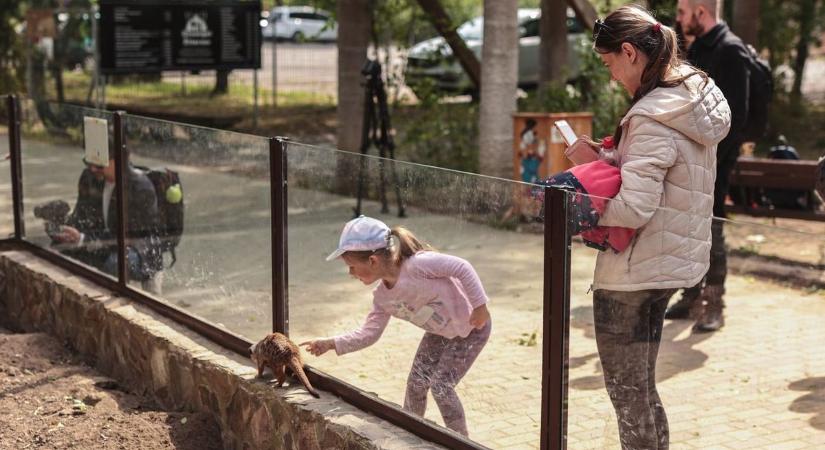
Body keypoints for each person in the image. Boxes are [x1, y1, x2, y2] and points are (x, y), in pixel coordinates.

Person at [570, 5, 730, 449]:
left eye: (610, 65)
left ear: (629, 52)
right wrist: (606, 161)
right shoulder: (691, 97)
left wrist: (581, 200)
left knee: (629, 395)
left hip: (635, 271)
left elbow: (634, 208)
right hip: (668, 262)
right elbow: (660, 180)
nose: (612, 77)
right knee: (641, 391)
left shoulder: (650, 115)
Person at [300, 216, 491, 437]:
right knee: (416, 383)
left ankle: (461, 442)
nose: (350, 274)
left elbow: (462, 267)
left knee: (441, 386)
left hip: (472, 328)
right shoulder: (382, 297)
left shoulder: (419, 265)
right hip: (440, 332)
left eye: (352, 267)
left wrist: (479, 306)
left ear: (372, 260)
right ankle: (409, 435)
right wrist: (332, 343)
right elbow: (369, 334)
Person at [667, 0, 751, 331]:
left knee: (712, 228)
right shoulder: (698, 48)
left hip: (716, 162)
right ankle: (691, 295)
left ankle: (714, 303)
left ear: (701, 13)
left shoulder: (731, 51)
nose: (678, 19)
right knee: (689, 228)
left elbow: (737, 117)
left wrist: (708, 156)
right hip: (694, 160)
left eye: (682, 13)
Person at [51, 156, 164, 294]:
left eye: (99, 164)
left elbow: (127, 236)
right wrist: (66, 230)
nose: (93, 168)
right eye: (90, 162)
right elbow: (81, 215)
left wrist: (83, 239)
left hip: (139, 250)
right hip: (105, 240)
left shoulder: (139, 186)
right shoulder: (90, 178)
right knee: (61, 249)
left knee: (115, 263)